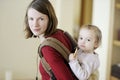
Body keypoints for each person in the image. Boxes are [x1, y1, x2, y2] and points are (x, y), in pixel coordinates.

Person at [24, 0, 77, 80]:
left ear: (50, 19)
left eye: (41, 19)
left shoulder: (48, 49)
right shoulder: (60, 33)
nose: (35, 24)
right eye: (31, 19)